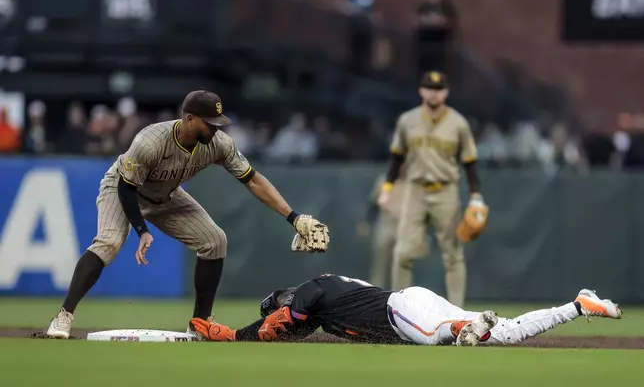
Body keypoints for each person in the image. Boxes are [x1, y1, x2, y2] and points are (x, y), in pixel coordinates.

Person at [46, 90, 330, 339]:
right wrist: (142, 230)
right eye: (210, 123)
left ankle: (200, 323)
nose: (216, 129)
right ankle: (64, 315)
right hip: (123, 188)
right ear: (189, 118)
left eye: (219, 123)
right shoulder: (151, 141)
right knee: (108, 242)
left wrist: (293, 217)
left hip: (166, 194)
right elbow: (126, 186)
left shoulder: (219, 144)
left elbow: (253, 179)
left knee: (215, 241)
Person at [190, 274, 622, 346]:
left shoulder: (310, 289)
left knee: (437, 337)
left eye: (279, 307)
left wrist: (234, 335)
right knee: (505, 333)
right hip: (413, 305)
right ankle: (578, 305)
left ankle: (464, 328)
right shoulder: (321, 308)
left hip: (403, 311)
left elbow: (281, 324)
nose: (282, 314)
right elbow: (291, 331)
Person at [377, 71, 483, 307]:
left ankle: (457, 313)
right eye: (429, 88)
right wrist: (387, 189)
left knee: (453, 255)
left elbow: (470, 161)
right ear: (421, 91)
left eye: (438, 89)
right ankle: (399, 312)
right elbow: (396, 158)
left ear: (445, 92)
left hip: (446, 191)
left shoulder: (458, 123)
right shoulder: (408, 121)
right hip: (415, 191)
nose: (433, 93)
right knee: (402, 253)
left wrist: (476, 194)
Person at [356, 173, 406, 289]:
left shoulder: (412, 182)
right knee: (379, 265)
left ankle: (402, 296)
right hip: (386, 224)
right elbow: (373, 204)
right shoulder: (384, 181)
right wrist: (366, 222)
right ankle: (376, 294)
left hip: (404, 227)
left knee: (402, 266)